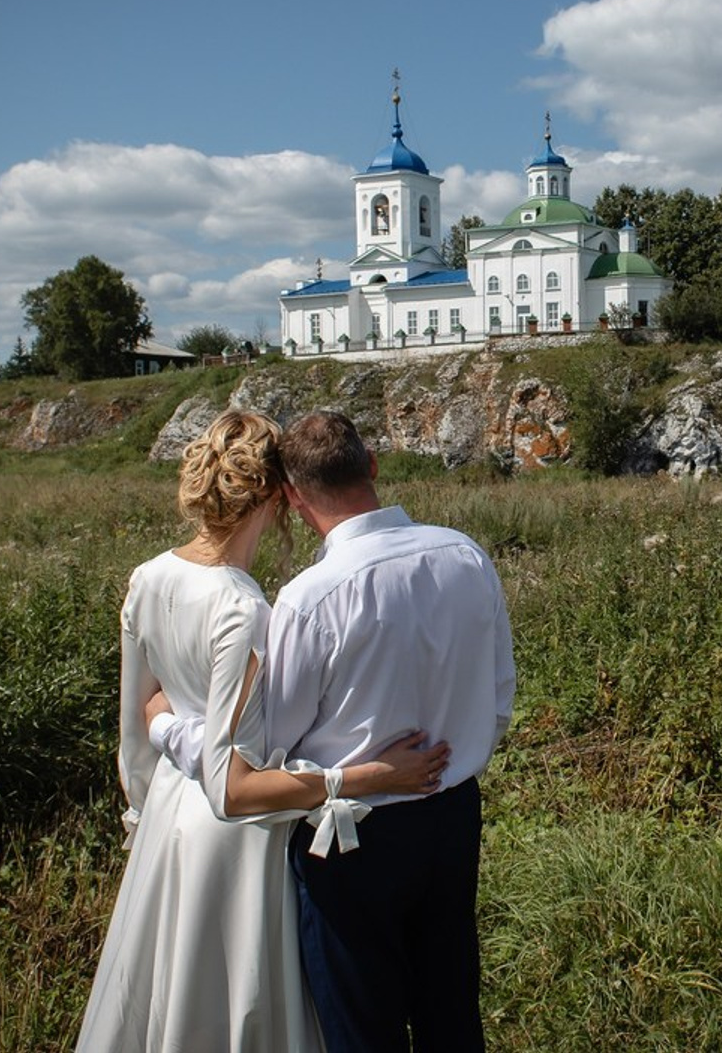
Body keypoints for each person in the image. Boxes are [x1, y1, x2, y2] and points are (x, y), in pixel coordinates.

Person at [76, 410, 449, 1053]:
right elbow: (237, 780)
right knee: (236, 1006)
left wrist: (147, 797)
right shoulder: (244, 608)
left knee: (162, 994)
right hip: (234, 836)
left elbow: (134, 725)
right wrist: (366, 776)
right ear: (279, 496)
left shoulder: (149, 577)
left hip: (167, 813)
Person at [160, 409, 516, 1051]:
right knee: (451, 1004)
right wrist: (458, 759)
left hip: (354, 835)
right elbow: (497, 695)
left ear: (294, 498)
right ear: (372, 467)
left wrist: (174, 727)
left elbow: (274, 747)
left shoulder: (311, 597)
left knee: (360, 1022)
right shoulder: (465, 553)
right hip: (454, 811)